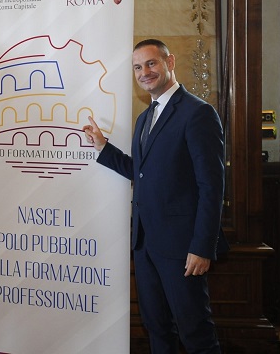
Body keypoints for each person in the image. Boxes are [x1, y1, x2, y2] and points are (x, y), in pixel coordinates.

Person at [83, 39, 228, 354]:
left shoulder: (198, 113)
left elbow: (212, 186)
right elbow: (142, 173)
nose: (144, 72)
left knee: (196, 335)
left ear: (169, 62)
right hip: (145, 245)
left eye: (151, 63)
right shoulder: (144, 118)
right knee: (157, 328)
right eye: (137, 67)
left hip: (182, 249)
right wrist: (103, 148)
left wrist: (202, 247)